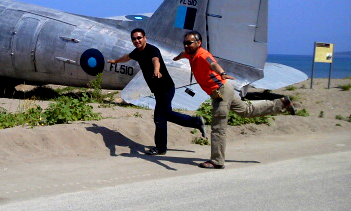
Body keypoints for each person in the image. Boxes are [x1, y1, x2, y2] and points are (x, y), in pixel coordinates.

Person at [173, 31, 295, 169]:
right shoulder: (190, 53)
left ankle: (217, 161)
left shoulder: (203, 55)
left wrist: (223, 73)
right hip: (224, 90)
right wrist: (176, 58)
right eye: (185, 43)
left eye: (189, 43)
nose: (186, 45)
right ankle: (281, 103)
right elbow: (184, 54)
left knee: (218, 127)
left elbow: (213, 64)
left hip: (221, 91)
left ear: (199, 43)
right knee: (246, 110)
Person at [108, 28, 206, 156]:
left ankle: (160, 148)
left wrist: (156, 70)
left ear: (145, 38)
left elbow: (156, 60)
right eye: (134, 39)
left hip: (165, 88)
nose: (137, 40)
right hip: (159, 90)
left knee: (159, 119)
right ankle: (196, 122)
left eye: (139, 38)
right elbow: (127, 57)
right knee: (167, 114)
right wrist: (116, 61)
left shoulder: (152, 50)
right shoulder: (137, 52)